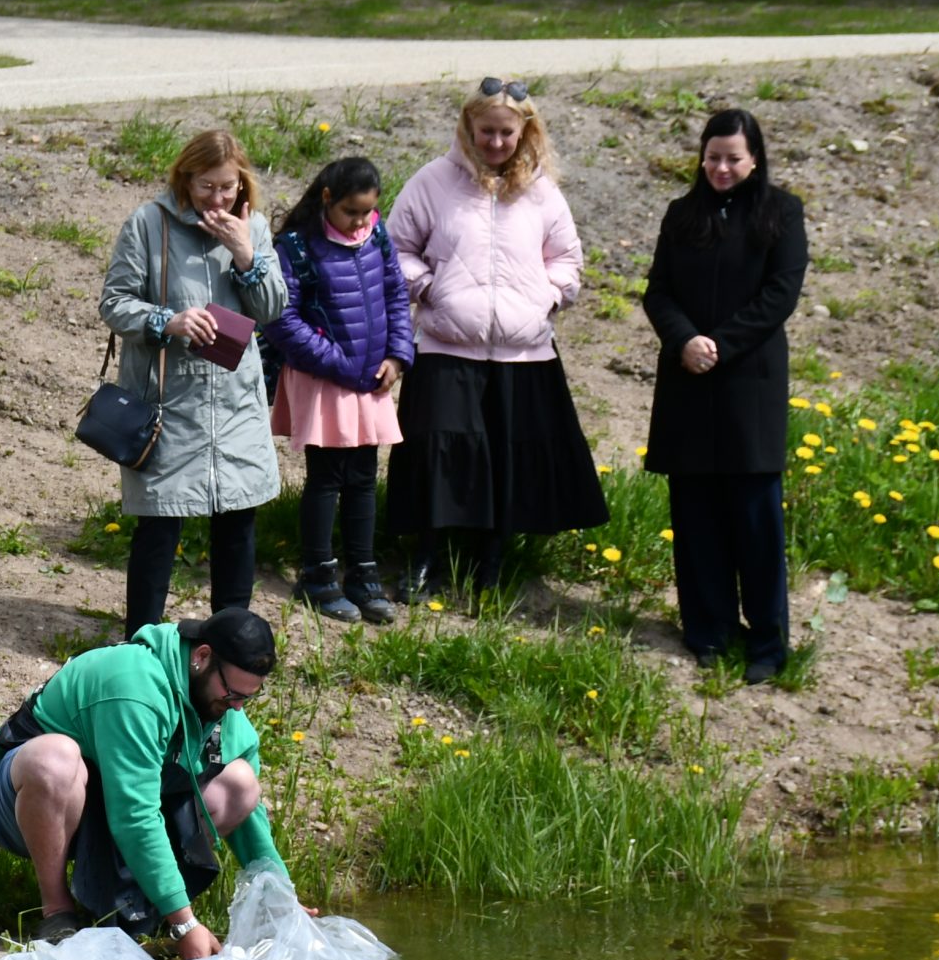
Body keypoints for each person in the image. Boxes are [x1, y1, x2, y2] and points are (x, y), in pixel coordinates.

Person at [384, 78, 608, 600]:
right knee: (436, 450)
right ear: (469, 126)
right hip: (445, 344)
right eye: (487, 131)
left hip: (523, 352)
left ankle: (492, 560)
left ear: (525, 131)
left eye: (507, 132)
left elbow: (568, 260)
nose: (497, 142)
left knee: (507, 454)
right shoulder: (432, 182)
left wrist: (546, 298)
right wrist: (430, 287)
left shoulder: (543, 191)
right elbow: (395, 250)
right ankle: (427, 555)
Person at [0, 608, 294, 960]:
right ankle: (57, 912)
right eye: (233, 694)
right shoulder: (135, 687)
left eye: (247, 697)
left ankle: (138, 910)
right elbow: (134, 815)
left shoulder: (216, 695)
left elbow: (248, 808)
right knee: (55, 760)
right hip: (23, 803)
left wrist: (283, 900)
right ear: (202, 656)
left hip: (102, 808)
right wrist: (184, 923)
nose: (237, 708)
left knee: (240, 782)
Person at [642, 108, 809, 685]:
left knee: (755, 518)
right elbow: (658, 291)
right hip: (687, 382)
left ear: (754, 159)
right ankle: (708, 631)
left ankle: (767, 642)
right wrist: (684, 340)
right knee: (696, 516)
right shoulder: (681, 214)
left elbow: (781, 293)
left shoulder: (782, 212)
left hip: (748, 386)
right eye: (713, 157)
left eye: (733, 158)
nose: (721, 168)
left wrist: (721, 344)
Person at [100, 127, 288, 635]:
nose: (218, 198)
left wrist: (245, 254)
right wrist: (170, 321)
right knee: (159, 527)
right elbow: (114, 303)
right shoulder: (148, 224)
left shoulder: (254, 227)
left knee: (237, 524)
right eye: (206, 186)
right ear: (184, 178)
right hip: (169, 404)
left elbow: (273, 308)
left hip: (235, 404)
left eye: (227, 186)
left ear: (242, 182)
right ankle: (141, 642)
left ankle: (228, 641)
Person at [262, 155, 413, 626]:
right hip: (323, 380)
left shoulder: (376, 234)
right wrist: (339, 364)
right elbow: (281, 320)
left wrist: (397, 355)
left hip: (369, 379)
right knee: (326, 478)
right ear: (327, 199)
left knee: (364, 477)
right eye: (351, 212)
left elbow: (396, 294)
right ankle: (318, 574)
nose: (360, 222)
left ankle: (363, 575)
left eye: (368, 211)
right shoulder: (296, 246)